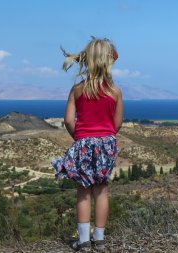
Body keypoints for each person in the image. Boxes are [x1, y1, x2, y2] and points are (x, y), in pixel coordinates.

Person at [51, 37, 123, 252]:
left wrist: (80, 137)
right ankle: (99, 240)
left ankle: (83, 242)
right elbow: (117, 123)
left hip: (83, 142)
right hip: (106, 144)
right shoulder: (115, 91)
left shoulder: (77, 90)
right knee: (101, 191)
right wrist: (105, 138)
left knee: (83, 191)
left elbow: (68, 120)